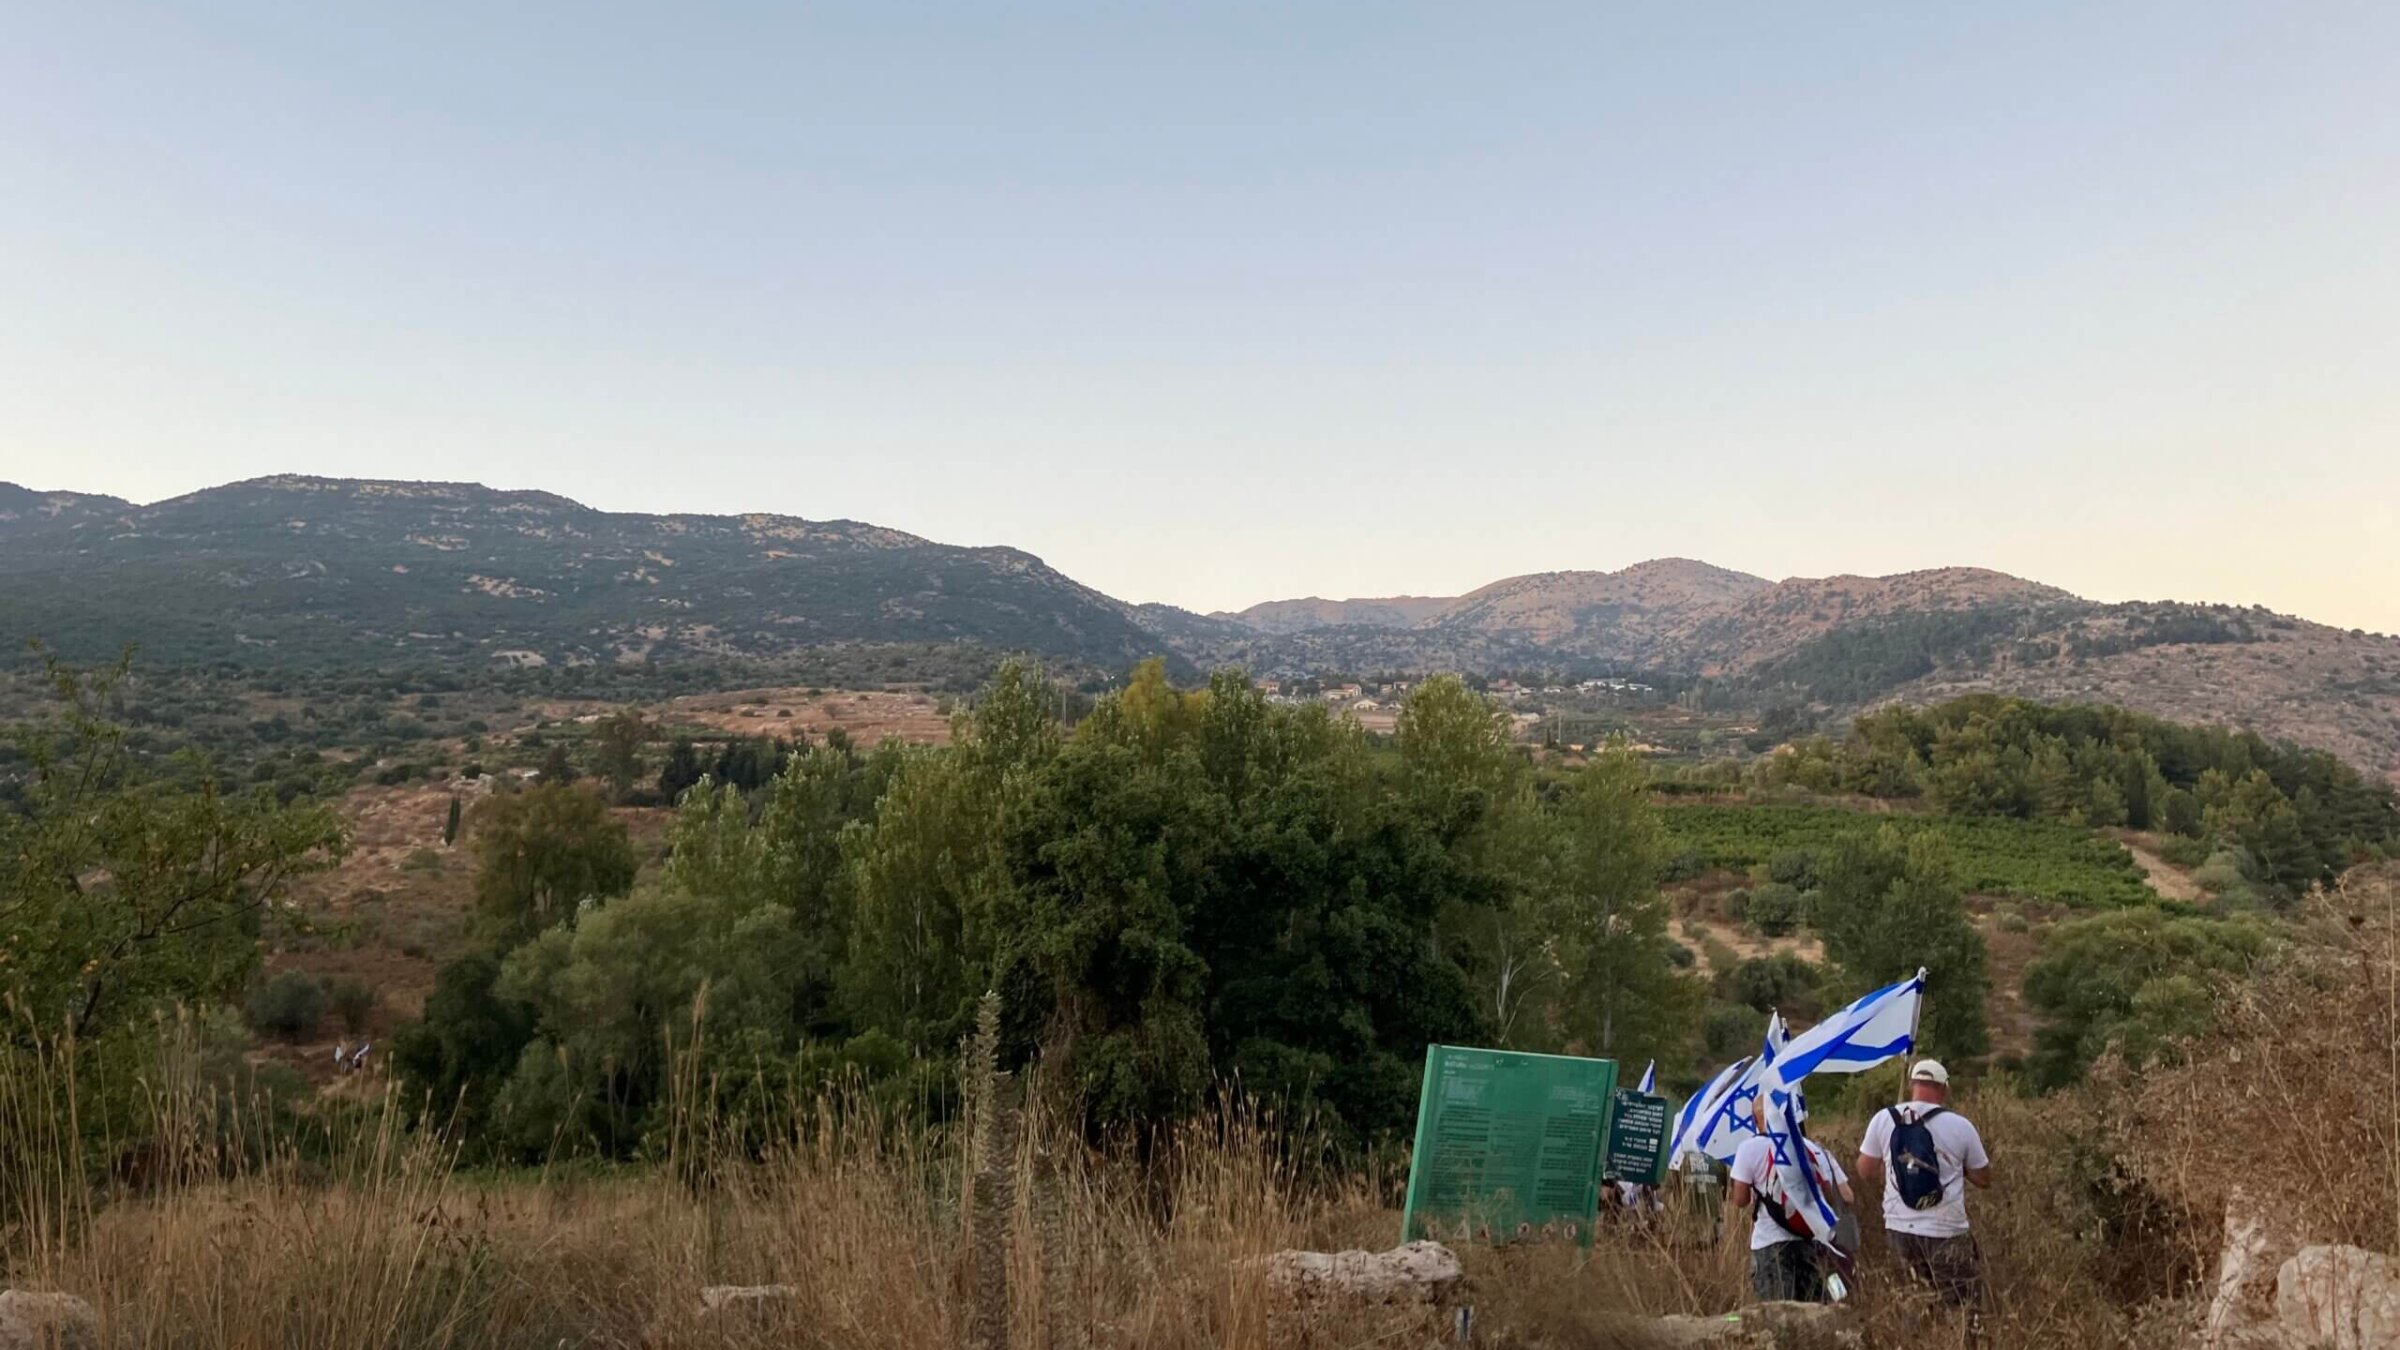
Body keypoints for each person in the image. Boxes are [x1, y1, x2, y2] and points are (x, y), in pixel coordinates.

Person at [1857, 1060, 1992, 1316]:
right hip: (1946, 1231)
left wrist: (1893, 1167)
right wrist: (1958, 1168)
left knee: (1911, 1307)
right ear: (1944, 1088)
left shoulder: (1883, 1119)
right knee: (1964, 1310)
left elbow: (1864, 1170)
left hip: (1899, 1230)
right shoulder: (1960, 1125)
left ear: (1912, 1086)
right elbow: (1985, 1179)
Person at [1726, 1099, 1856, 1303]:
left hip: (1770, 1244)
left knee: (1777, 1315)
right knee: (1814, 1313)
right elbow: (1828, 1197)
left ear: (1754, 1119)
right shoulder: (1812, 1149)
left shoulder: (1749, 1149)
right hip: (1810, 1242)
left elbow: (1740, 1200)